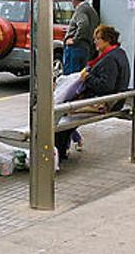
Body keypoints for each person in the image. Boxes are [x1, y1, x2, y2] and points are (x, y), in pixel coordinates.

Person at [54, 25, 129, 160]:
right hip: (114, 99)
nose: (95, 41)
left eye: (98, 38)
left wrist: (87, 77)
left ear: (107, 40)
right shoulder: (117, 53)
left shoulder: (110, 59)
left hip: (106, 102)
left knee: (64, 112)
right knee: (65, 113)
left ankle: (58, 152)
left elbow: (106, 86)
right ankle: (61, 149)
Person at [62, 0, 100, 75]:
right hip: (86, 47)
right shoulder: (91, 10)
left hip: (76, 48)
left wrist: (74, 40)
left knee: (71, 77)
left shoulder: (81, 10)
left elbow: (83, 25)